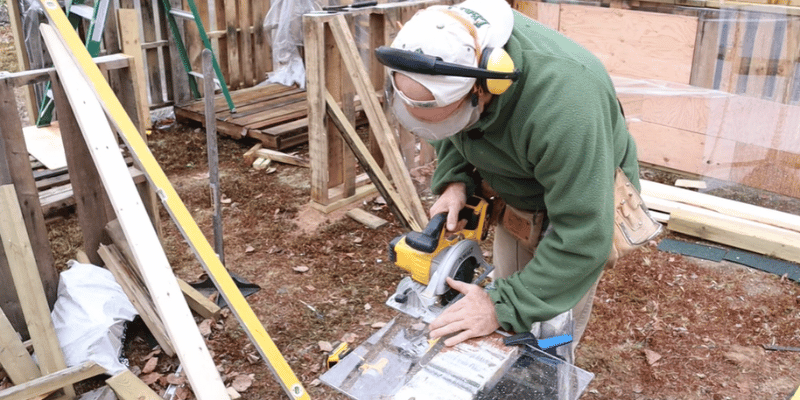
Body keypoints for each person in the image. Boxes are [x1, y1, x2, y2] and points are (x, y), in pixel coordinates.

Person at [376, 0, 655, 362]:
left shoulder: (567, 107)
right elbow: (451, 127)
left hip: (582, 199)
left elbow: (584, 238)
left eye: (450, 115)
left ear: (488, 86)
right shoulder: (450, 49)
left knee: (553, 319)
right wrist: (455, 181)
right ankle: (512, 357)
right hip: (519, 187)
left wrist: (499, 307)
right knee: (507, 294)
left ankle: (552, 364)